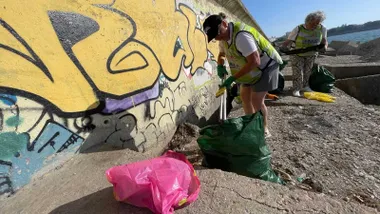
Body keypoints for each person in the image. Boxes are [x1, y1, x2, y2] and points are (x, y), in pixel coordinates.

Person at [203, 14, 283, 138]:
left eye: (218, 33)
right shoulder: (223, 38)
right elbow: (222, 54)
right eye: (214, 36)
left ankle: (264, 129)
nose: (218, 38)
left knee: (256, 99)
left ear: (224, 24)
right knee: (245, 97)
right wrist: (220, 65)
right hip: (250, 69)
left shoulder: (241, 36)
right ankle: (250, 126)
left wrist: (233, 78)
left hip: (266, 66)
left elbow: (255, 61)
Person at [281, 11, 328, 97]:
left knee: (308, 71)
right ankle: (296, 89)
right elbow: (288, 41)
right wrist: (282, 48)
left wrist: (325, 46)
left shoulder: (322, 28)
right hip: (297, 54)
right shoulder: (298, 29)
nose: (315, 26)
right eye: (313, 24)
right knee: (298, 72)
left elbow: (324, 41)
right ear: (307, 21)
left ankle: (306, 87)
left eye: (317, 23)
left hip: (312, 53)